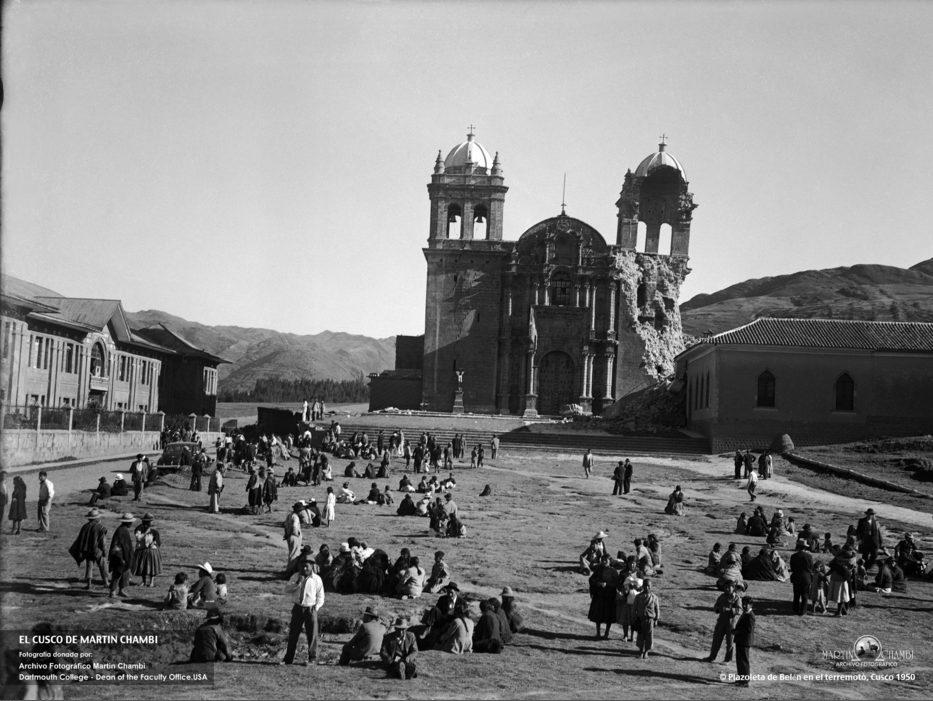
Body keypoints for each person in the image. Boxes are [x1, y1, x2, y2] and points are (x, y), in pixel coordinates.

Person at [282, 561, 324, 665]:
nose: (304, 568)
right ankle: (288, 659)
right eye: (302, 566)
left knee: (312, 634)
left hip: (310, 608)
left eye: (306, 566)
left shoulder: (316, 579)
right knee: (293, 634)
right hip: (297, 608)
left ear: (312, 566)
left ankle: (312, 659)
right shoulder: (295, 576)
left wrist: (316, 608)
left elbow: (320, 596)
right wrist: (297, 583)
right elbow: (287, 589)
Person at [69, 508, 109, 590]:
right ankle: (106, 582)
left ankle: (89, 584)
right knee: (103, 565)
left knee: (89, 566)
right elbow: (103, 542)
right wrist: (104, 551)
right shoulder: (101, 528)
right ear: (97, 518)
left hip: (87, 550)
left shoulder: (85, 527)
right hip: (98, 550)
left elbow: (80, 539)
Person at [706, 581, 742, 663]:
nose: (727, 589)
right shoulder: (722, 596)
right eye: (726, 587)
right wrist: (717, 609)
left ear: (733, 588)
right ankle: (712, 657)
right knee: (716, 640)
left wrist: (729, 610)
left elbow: (739, 610)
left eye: (729, 587)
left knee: (730, 642)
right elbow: (716, 606)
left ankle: (727, 660)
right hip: (721, 621)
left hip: (731, 623)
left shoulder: (737, 598)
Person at [588, 553, 619, 639]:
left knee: (609, 616)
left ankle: (606, 633)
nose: (604, 562)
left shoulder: (613, 571)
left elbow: (617, 584)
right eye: (603, 560)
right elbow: (591, 579)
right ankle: (598, 633)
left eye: (606, 560)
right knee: (598, 615)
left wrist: (607, 584)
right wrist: (597, 583)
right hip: (599, 595)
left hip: (609, 596)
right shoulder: (598, 569)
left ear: (610, 561)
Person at [108, 513, 136, 598]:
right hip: (119, 557)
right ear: (127, 522)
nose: (131, 524)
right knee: (117, 574)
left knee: (125, 574)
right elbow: (116, 546)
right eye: (130, 522)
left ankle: (121, 590)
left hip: (125, 556)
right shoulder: (121, 530)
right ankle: (112, 591)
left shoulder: (124, 530)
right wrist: (120, 558)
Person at [132, 513, 162, 587]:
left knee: (152, 567)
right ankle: (144, 581)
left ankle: (151, 582)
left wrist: (154, 543)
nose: (151, 522)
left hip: (152, 550)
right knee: (143, 566)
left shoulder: (154, 530)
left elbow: (158, 540)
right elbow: (138, 538)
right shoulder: (139, 529)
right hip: (142, 549)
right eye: (150, 521)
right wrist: (145, 533)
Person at [633, 578, 660, 659]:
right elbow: (634, 609)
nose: (646, 587)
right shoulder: (638, 597)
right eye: (645, 585)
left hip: (650, 620)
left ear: (651, 586)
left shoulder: (654, 597)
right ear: (642, 586)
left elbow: (657, 609)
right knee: (640, 636)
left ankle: (646, 652)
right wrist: (635, 618)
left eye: (648, 586)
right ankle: (641, 651)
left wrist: (656, 619)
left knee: (649, 636)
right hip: (640, 619)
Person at [617, 562, 642, 642]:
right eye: (630, 563)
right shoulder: (623, 573)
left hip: (636, 600)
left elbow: (643, 586)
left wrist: (636, 587)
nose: (632, 565)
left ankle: (632, 636)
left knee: (633, 619)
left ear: (636, 564)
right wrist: (625, 589)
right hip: (626, 599)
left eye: (633, 563)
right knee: (625, 619)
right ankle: (625, 635)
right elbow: (619, 584)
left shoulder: (639, 573)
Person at [733, 598, 755, 687]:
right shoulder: (746, 613)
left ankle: (745, 681)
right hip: (741, 640)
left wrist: (737, 632)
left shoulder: (750, 616)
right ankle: (741, 678)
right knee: (740, 660)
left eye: (746, 604)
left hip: (744, 641)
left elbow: (748, 630)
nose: (744, 606)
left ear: (751, 605)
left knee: (743, 661)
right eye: (743, 604)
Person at [790, 539, 814, 615]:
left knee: (796, 594)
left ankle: (795, 609)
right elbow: (811, 567)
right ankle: (803, 611)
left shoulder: (794, 556)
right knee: (805, 595)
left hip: (796, 576)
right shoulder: (809, 556)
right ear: (805, 547)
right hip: (806, 577)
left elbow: (792, 567)